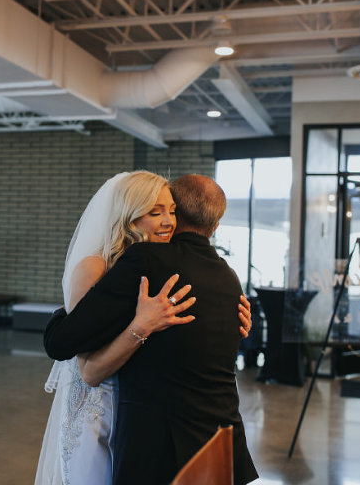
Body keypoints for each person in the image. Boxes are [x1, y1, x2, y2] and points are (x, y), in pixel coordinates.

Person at [35, 171, 252, 485]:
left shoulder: (156, 262)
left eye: (172, 211)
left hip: (151, 432)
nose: (168, 221)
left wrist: (238, 326)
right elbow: (83, 364)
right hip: (107, 413)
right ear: (129, 217)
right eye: (156, 212)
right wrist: (72, 312)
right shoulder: (223, 273)